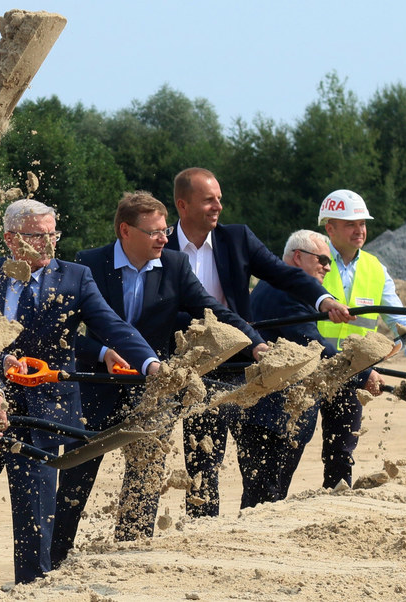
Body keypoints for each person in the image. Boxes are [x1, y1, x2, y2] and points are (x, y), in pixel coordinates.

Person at [0, 199, 163, 602]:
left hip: (44, 418)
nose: (48, 243)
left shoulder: (75, 277)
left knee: (35, 527)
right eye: (38, 235)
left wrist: (150, 364)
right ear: (10, 238)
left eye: (52, 234)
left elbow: (111, 325)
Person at [52, 190, 266, 564]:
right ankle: (52, 561)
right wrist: (101, 352)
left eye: (165, 229)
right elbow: (65, 335)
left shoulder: (176, 266)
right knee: (76, 475)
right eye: (153, 232)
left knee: (145, 477)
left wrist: (256, 345)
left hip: (154, 389)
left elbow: (212, 310)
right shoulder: (89, 265)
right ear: (125, 231)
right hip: (96, 388)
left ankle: (127, 556)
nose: (164, 238)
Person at [166, 168, 353, 518]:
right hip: (187, 368)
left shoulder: (237, 239)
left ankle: (252, 525)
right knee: (202, 461)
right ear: (183, 205)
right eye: (208, 200)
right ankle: (201, 535)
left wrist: (323, 301)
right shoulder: (160, 244)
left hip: (240, 365)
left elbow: (285, 274)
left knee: (257, 458)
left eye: (219, 198)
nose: (217, 206)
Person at [238, 229, 385, 507]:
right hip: (272, 416)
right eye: (322, 261)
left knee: (267, 496)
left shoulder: (281, 289)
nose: (328, 268)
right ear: (297, 257)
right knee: (265, 499)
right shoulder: (283, 291)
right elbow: (313, 347)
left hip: (271, 415)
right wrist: (364, 372)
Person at [316, 189, 406, 487]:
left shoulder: (375, 268)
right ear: (330, 228)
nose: (360, 229)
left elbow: (400, 320)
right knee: (288, 446)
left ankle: (335, 505)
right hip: (310, 367)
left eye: (362, 223)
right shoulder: (312, 258)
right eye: (351, 224)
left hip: (353, 374)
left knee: (342, 450)